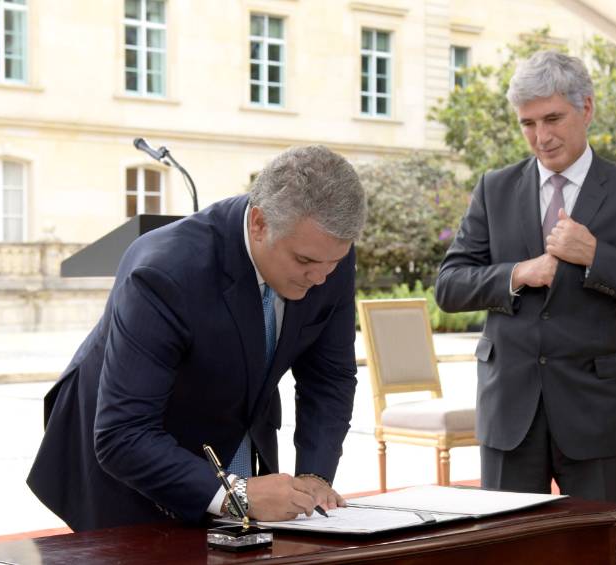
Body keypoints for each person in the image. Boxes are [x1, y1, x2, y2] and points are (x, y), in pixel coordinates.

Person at [27, 145, 367, 531]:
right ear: (258, 224)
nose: (321, 278)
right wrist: (237, 495)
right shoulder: (163, 270)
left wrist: (315, 477)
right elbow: (123, 435)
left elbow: (330, 376)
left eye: (333, 264)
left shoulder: (323, 250)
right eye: (304, 262)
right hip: (127, 462)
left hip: (233, 432)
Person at [435, 51, 616, 504]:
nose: (541, 137)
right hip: (510, 413)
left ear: (586, 108)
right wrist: (518, 273)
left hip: (601, 416)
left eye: (553, 118)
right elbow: (450, 285)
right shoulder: (493, 189)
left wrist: (595, 255)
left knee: (597, 551)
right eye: (528, 124)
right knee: (510, 550)